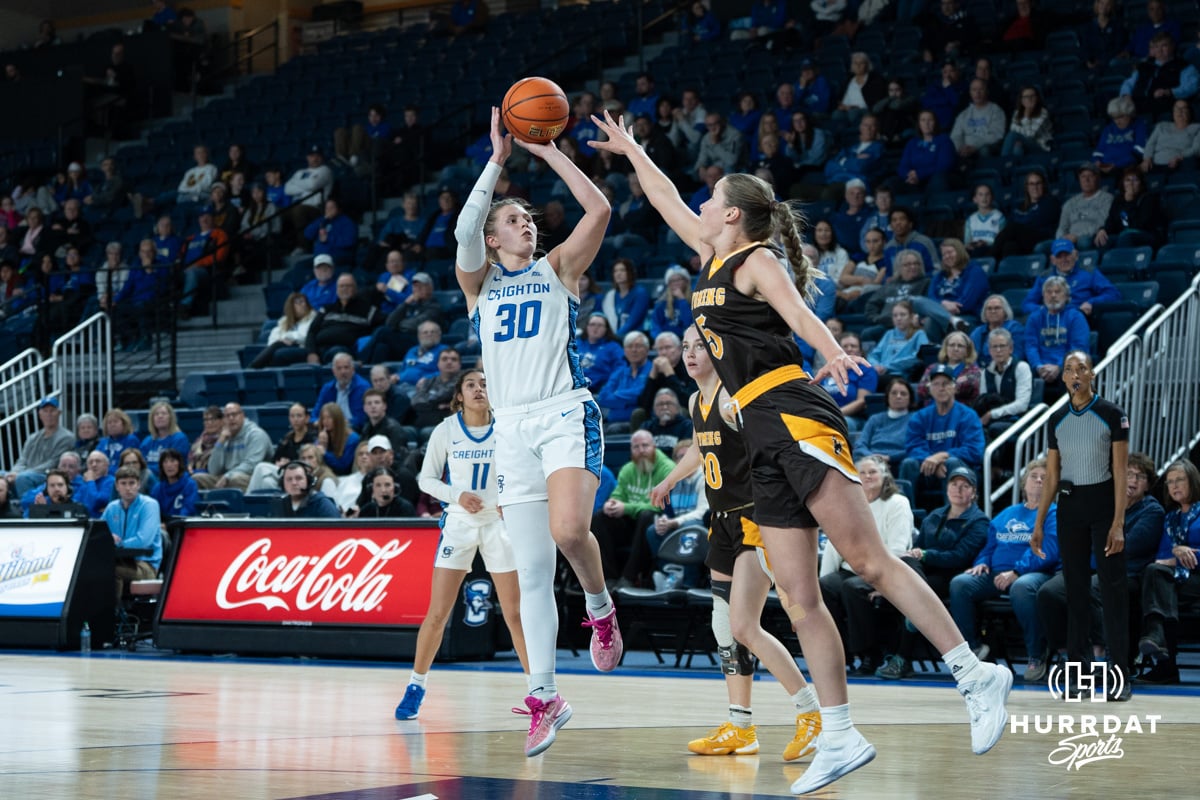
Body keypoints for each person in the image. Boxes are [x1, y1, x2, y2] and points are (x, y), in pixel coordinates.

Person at [591, 110, 1012, 795]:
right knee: (799, 595)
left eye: (712, 200)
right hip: (758, 433)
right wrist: (633, 150)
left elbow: (797, 312)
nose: (700, 205)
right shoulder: (710, 253)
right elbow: (665, 195)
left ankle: (974, 672)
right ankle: (840, 734)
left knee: (868, 561)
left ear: (733, 215)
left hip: (793, 410)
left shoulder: (756, 261)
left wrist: (833, 353)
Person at [453, 108, 622, 757]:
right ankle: (546, 695)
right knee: (530, 572)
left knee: (569, 532)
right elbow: (466, 228)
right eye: (513, 220)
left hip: (562, 412)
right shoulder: (479, 284)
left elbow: (600, 208)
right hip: (510, 430)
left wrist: (548, 150)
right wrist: (498, 159)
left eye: (528, 218)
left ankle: (600, 607)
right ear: (495, 239)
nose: (526, 223)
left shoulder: (557, 268)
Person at [651, 324, 822, 760]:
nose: (689, 354)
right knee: (724, 628)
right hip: (722, 521)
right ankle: (740, 726)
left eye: (700, 346)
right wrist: (670, 478)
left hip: (754, 519)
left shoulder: (733, 399)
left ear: (719, 351)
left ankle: (811, 713)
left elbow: (771, 446)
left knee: (748, 625)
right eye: (684, 347)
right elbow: (700, 448)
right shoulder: (696, 400)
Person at [396, 369, 529, 719]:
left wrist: (511, 497)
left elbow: (528, 469)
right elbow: (425, 480)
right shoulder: (446, 430)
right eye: (471, 384)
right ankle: (415, 685)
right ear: (459, 395)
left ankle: (539, 691)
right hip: (459, 523)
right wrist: (457, 495)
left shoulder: (506, 425)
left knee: (515, 613)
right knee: (438, 612)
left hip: (498, 524)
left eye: (485, 383)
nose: (479, 389)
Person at [1031, 350, 1132, 701]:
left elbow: (1120, 472)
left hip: (1104, 505)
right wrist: (1040, 522)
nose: (1075, 374)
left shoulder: (1111, 414)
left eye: (1081, 368)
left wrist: (1118, 522)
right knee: (1074, 593)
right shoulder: (1056, 418)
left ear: (1092, 374)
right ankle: (1080, 677)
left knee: (1112, 590)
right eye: (1069, 369)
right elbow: (1053, 475)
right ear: (1063, 378)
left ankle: (1120, 676)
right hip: (1069, 507)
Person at [873, 467, 990, 679]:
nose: (958, 489)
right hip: (926, 575)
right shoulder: (935, 516)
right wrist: (920, 556)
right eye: (954, 484)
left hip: (953, 576)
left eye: (965, 486)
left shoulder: (979, 522)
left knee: (911, 598)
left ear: (973, 492)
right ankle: (897, 652)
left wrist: (926, 555)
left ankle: (901, 658)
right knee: (906, 568)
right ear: (947, 489)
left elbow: (960, 557)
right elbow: (915, 550)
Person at [949, 459, 1059, 680]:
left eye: (1044, 478)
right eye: (1034, 476)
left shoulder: (1054, 513)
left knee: (1021, 587)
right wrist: (983, 562)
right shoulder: (1007, 513)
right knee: (960, 583)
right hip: (996, 573)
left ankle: (1037, 653)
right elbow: (990, 546)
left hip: (1032, 574)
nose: (1038, 480)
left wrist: (1016, 571)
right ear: (1023, 483)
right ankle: (973, 649)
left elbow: (1048, 549)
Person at [819, 455, 914, 676]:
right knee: (825, 586)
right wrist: (822, 579)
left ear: (885, 476)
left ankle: (869, 655)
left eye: (873, 472)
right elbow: (834, 545)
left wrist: (882, 583)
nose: (868, 476)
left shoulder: (898, 503)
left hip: (883, 570)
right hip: (851, 568)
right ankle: (840, 654)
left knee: (852, 588)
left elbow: (899, 549)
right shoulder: (848, 504)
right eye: (863, 472)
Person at [1136, 458, 1200, 684]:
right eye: (1170, 482)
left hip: (1196, 578)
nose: (1174, 486)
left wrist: (1186, 553)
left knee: (1158, 582)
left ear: (1193, 480)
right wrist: (1177, 552)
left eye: (1180, 480)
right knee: (1159, 582)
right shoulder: (1170, 518)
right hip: (1176, 582)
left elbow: (1167, 561)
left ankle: (1164, 661)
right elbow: (1161, 557)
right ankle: (1157, 643)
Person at [590, 430, 675, 579]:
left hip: (659, 522)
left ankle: (629, 578)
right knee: (599, 518)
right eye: (636, 447)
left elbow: (658, 505)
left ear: (654, 446)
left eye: (645, 446)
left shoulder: (667, 468)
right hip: (631, 522)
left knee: (647, 516)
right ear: (631, 450)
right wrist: (611, 504)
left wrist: (627, 508)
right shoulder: (627, 469)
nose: (641, 450)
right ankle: (608, 579)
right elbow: (618, 494)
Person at [899, 363, 985, 505]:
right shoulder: (920, 417)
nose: (941, 388)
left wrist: (943, 456)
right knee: (909, 464)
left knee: (952, 463)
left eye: (946, 383)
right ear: (930, 389)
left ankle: (954, 519)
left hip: (960, 470)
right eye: (936, 384)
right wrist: (932, 460)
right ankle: (908, 518)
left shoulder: (968, 415)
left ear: (955, 387)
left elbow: (974, 451)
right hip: (928, 469)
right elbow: (913, 447)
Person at [103, 466, 163, 601]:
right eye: (123, 484)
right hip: (119, 560)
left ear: (139, 485)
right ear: (117, 486)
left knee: (111, 571)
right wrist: (106, 537)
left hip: (145, 565)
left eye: (132, 483)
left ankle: (114, 617)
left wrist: (117, 543)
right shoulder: (112, 507)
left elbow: (143, 541)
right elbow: (98, 534)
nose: (128, 488)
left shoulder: (149, 505)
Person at [193, 403, 272, 490]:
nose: (231, 418)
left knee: (236, 479)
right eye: (227, 416)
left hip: (252, 477)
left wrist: (228, 476)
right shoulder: (225, 436)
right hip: (226, 477)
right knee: (197, 478)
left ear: (243, 415)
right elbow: (213, 470)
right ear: (223, 420)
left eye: (234, 414)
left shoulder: (256, 435)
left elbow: (251, 464)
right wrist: (220, 442)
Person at [5, 397, 75, 497]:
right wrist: (14, 472)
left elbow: (52, 463)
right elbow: (22, 460)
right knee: (3, 475)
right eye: (45, 411)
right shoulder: (33, 437)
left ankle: (26, 510)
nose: (49, 414)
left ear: (59, 413)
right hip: (26, 473)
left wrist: (20, 474)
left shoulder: (67, 437)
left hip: (48, 476)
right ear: (40, 415)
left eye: (52, 411)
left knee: (22, 478)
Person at [247, 403, 315, 493]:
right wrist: (278, 464)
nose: (295, 419)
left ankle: (247, 501)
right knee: (266, 482)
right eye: (292, 416)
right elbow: (274, 460)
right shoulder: (287, 439)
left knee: (260, 467)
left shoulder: (312, 438)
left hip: (300, 474)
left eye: (299, 416)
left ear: (307, 418)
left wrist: (288, 464)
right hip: (284, 474)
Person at [975, 328, 1032, 433]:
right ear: (989, 350)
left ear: (1010, 348)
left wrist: (992, 414)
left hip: (1018, 419)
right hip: (993, 420)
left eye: (1002, 346)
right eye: (994, 347)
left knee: (993, 428)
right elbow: (983, 402)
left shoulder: (1021, 367)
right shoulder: (985, 373)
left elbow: (1022, 405)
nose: (998, 350)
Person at [1093, 168, 1164, 250]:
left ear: (1141, 183)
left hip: (1146, 234)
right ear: (1123, 183)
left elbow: (1141, 224)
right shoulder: (1118, 200)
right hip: (1124, 235)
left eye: (1135, 180)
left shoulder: (1148, 199)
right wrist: (1103, 230)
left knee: (1126, 237)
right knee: (1103, 240)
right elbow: (1111, 221)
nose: (1131, 184)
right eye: (1128, 180)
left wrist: (1130, 203)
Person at [819, 332, 877, 432]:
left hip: (852, 418)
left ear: (860, 351)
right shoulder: (830, 369)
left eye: (853, 346)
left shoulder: (866, 370)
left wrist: (836, 413)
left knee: (838, 423)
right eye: (845, 346)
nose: (849, 349)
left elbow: (862, 402)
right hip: (825, 415)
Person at [858, 376, 916, 466]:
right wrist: (872, 457)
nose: (898, 396)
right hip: (872, 462)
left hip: (898, 462)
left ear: (910, 398)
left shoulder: (916, 419)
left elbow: (915, 447)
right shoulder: (875, 419)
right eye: (894, 393)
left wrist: (890, 458)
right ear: (887, 396)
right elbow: (860, 444)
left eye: (903, 394)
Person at [915, 331, 983, 407]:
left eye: (960, 346)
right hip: (931, 410)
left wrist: (934, 385)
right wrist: (954, 383)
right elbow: (921, 389)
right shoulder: (933, 367)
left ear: (967, 351)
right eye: (951, 345)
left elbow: (969, 386)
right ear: (946, 348)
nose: (955, 349)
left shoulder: (973, 370)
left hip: (960, 412)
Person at [251, 292, 316, 369]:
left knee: (277, 350)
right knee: (276, 349)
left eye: (304, 302)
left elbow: (304, 336)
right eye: (299, 302)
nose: (303, 305)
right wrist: (283, 340)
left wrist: (286, 337)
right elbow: (272, 341)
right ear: (291, 306)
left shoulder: (312, 318)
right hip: (287, 346)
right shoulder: (284, 321)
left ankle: (252, 368)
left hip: (303, 347)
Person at [869, 298, 929, 378]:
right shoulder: (889, 334)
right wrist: (876, 366)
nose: (898, 318)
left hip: (901, 375)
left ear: (911, 317)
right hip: (881, 373)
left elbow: (918, 358)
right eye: (895, 315)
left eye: (903, 315)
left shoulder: (919, 334)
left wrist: (888, 367)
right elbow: (873, 355)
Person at [312, 352, 370, 429]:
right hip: (331, 430)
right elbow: (315, 415)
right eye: (339, 368)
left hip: (354, 430)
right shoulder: (327, 388)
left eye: (346, 367)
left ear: (353, 370)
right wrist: (317, 422)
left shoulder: (363, 387)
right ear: (334, 371)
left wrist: (342, 423)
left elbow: (364, 418)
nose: (343, 372)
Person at [601, 258, 650, 337]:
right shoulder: (611, 295)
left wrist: (615, 338)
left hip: (634, 336)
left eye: (622, 270)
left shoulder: (640, 293)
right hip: (615, 336)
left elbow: (632, 321)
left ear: (630, 272)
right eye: (615, 271)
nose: (618, 273)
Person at [970, 294, 1024, 365]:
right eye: (989, 308)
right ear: (984, 313)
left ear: (1005, 311)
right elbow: (970, 356)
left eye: (997, 308)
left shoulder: (1015, 328)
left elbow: (1017, 355)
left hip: (1007, 370)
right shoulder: (978, 332)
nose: (993, 311)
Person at [274, 460, 341, 518]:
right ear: (282, 484)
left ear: (308, 481)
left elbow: (337, 531)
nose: (294, 483)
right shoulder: (277, 505)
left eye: (299, 478)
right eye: (289, 479)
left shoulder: (322, 504)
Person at [577, 313, 624, 393]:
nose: (595, 328)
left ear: (606, 329)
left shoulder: (614, 347)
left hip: (598, 389)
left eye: (600, 325)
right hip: (574, 388)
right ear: (587, 327)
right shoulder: (576, 344)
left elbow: (620, 368)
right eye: (592, 324)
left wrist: (608, 386)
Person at [1001, 86, 1053, 156]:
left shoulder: (1043, 113)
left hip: (1041, 147)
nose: (1029, 99)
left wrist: (1027, 114)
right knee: (1017, 149)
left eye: (1032, 96)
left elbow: (1031, 134)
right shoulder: (1017, 113)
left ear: (1037, 98)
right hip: (1024, 144)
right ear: (1022, 100)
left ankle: (1002, 162)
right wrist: (1019, 137)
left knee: (1012, 135)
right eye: (1026, 97)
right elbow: (1013, 128)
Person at [140, 401, 190, 474]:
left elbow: (173, 466)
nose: (160, 416)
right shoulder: (147, 440)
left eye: (164, 413)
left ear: (171, 418)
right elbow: (140, 463)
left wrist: (148, 469)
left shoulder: (179, 438)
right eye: (156, 414)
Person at [151, 448, 198, 520]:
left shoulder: (190, 485)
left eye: (172, 461)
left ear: (179, 464)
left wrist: (169, 525)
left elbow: (188, 510)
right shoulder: (157, 488)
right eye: (165, 462)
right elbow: (153, 512)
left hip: (182, 526)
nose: (169, 465)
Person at [649, 266, 694, 340]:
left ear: (686, 281)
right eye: (672, 281)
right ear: (668, 284)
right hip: (664, 340)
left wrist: (682, 300)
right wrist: (659, 339)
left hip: (686, 339)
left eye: (679, 280)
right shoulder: (661, 303)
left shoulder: (695, 300)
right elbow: (655, 325)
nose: (676, 283)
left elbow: (689, 323)